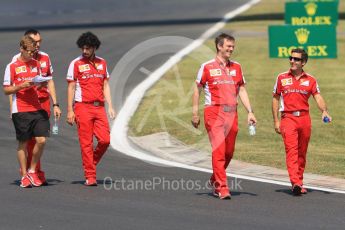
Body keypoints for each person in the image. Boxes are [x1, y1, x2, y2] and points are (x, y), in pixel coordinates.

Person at [192, 33, 257, 199]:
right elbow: (197, 89)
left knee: (229, 152)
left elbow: (241, 89)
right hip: (214, 112)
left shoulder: (237, 67)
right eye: (228, 46)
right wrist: (195, 113)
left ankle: (215, 178)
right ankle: (222, 188)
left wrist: (250, 111)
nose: (231, 49)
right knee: (219, 150)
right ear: (219, 46)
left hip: (231, 113)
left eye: (233, 47)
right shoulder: (206, 67)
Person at [272, 48, 332, 196]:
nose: (292, 61)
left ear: (303, 62)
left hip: (305, 119)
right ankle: (295, 183)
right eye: (291, 58)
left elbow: (317, 96)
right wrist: (276, 120)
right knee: (291, 151)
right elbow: (275, 98)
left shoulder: (311, 79)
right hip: (288, 118)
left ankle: (299, 180)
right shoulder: (281, 77)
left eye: (296, 59)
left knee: (302, 152)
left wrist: (324, 110)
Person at [10, 29, 62, 185]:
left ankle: (34, 171)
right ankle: (33, 173)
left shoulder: (45, 57)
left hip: (43, 103)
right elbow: (12, 87)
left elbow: (50, 81)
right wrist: (13, 108)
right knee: (30, 140)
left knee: (41, 139)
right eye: (35, 42)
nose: (38, 45)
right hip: (25, 104)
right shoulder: (16, 60)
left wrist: (55, 104)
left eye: (40, 41)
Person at [66, 32, 116, 186]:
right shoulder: (76, 63)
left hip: (99, 107)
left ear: (95, 48)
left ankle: (90, 163)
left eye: (88, 48)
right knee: (86, 143)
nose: (84, 51)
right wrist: (70, 110)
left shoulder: (102, 63)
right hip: (82, 107)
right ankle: (90, 176)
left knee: (105, 140)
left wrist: (111, 106)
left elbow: (105, 85)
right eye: (83, 48)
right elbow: (71, 86)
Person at [3, 35, 50, 188]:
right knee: (23, 143)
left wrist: (42, 84)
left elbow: (41, 84)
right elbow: (6, 90)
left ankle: (31, 170)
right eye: (29, 51)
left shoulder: (36, 63)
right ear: (21, 49)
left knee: (41, 140)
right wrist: (20, 86)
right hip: (20, 109)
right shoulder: (11, 66)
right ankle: (24, 175)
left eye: (33, 51)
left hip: (36, 107)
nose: (31, 54)